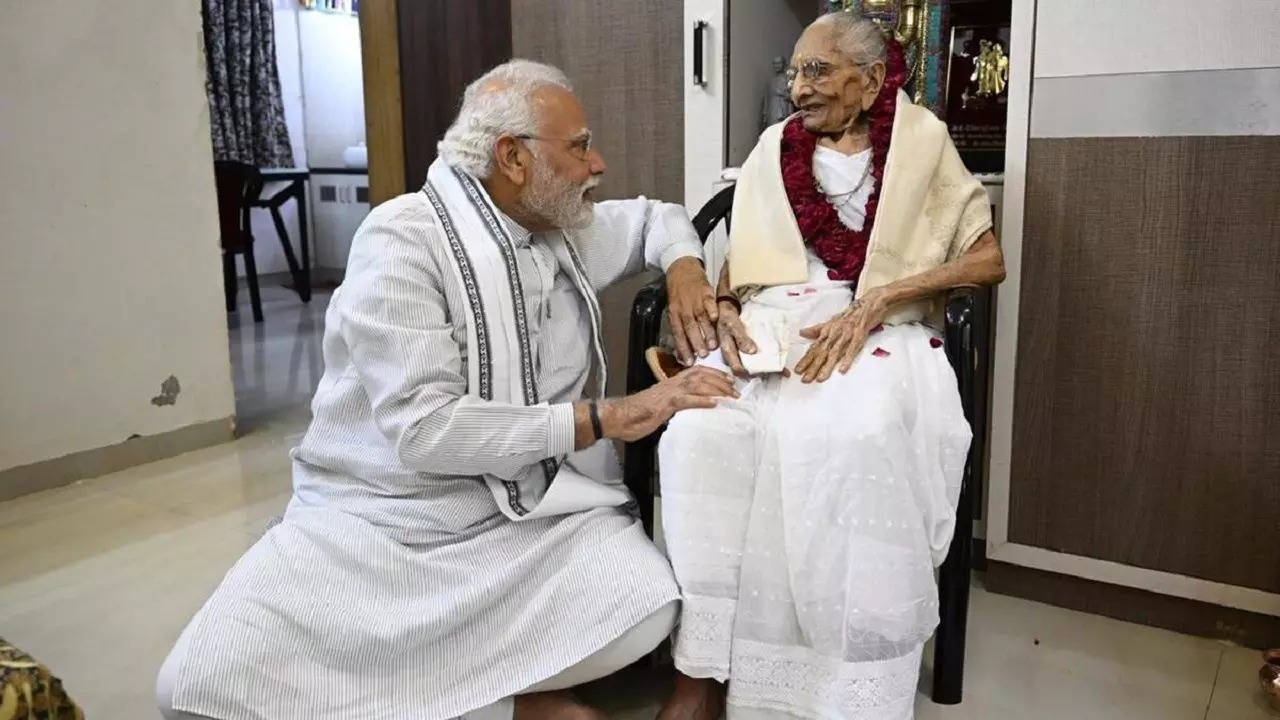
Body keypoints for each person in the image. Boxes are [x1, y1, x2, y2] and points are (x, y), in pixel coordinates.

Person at [156, 59, 735, 720]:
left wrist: (686, 268)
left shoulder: (564, 229)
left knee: (646, 605)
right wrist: (609, 417)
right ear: (513, 159)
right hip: (384, 519)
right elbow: (427, 430)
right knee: (193, 690)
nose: (596, 163)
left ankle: (491, 696)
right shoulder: (402, 244)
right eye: (578, 147)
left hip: (524, 518)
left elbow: (658, 219)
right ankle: (517, 703)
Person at [657, 12, 1006, 720]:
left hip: (878, 327)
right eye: (794, 73)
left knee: (848, 434)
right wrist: (724, 302)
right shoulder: (770, 149)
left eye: (816, 71)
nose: (798, 88)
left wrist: (882, 297)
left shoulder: (921, 142)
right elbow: (741, 258)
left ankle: (848, 686)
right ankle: (707, 670)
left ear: (872, 79)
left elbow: (987, 259)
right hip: (773, 323)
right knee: (697, 435)